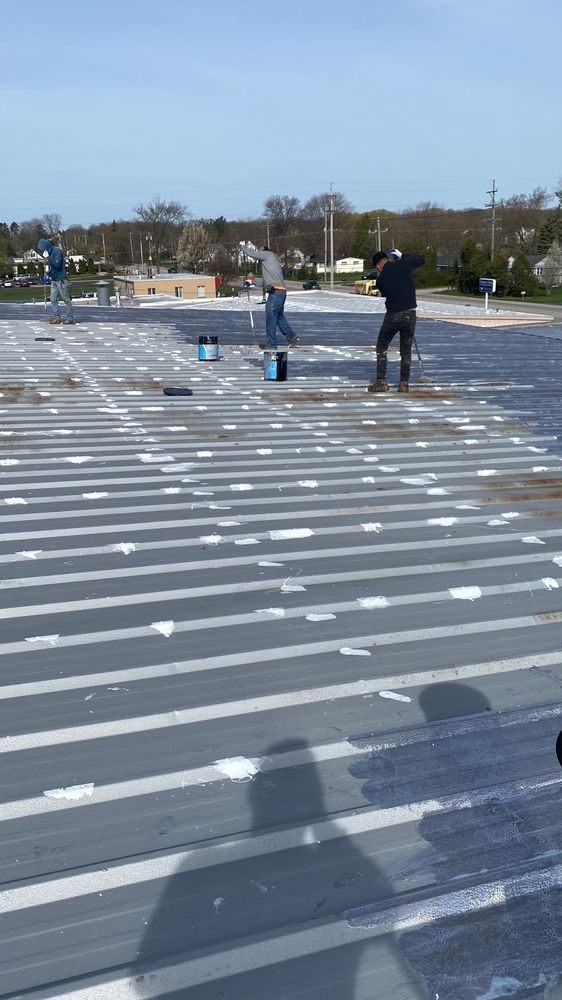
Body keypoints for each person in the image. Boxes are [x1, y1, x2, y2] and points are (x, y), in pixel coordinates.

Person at [366, 248, 424, 393]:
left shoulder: (381, 280)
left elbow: (386, 291)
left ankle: (381, 382)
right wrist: (402, 255)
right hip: (410, 314)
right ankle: (404, 384)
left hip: (393, 315)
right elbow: (421, 260)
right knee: (406, 350)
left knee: (382, 347)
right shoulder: (404, 264)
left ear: (378, 266)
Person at [239, 243, 299, 349]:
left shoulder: (267, 255)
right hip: (281, 292)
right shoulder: (272, 262)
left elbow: (252, 253)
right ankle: (292, 337)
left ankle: (271, 344)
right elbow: (265, 282)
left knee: (270, 318)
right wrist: (251, 281)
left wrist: (243, 247)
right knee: (279, 317)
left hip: (275, 293)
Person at [37, 238, 75, 325]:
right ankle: (57, 317)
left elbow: (57, 265)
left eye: (43, 249)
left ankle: (70, 318)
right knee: (53, 298)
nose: (43, 251)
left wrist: (49, 258)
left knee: (65, 298)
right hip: (54, 279)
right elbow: (52, 268)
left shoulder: (56, 251)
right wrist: (47, 275)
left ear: (46, 247)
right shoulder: (51, 253)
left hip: (61, 279)